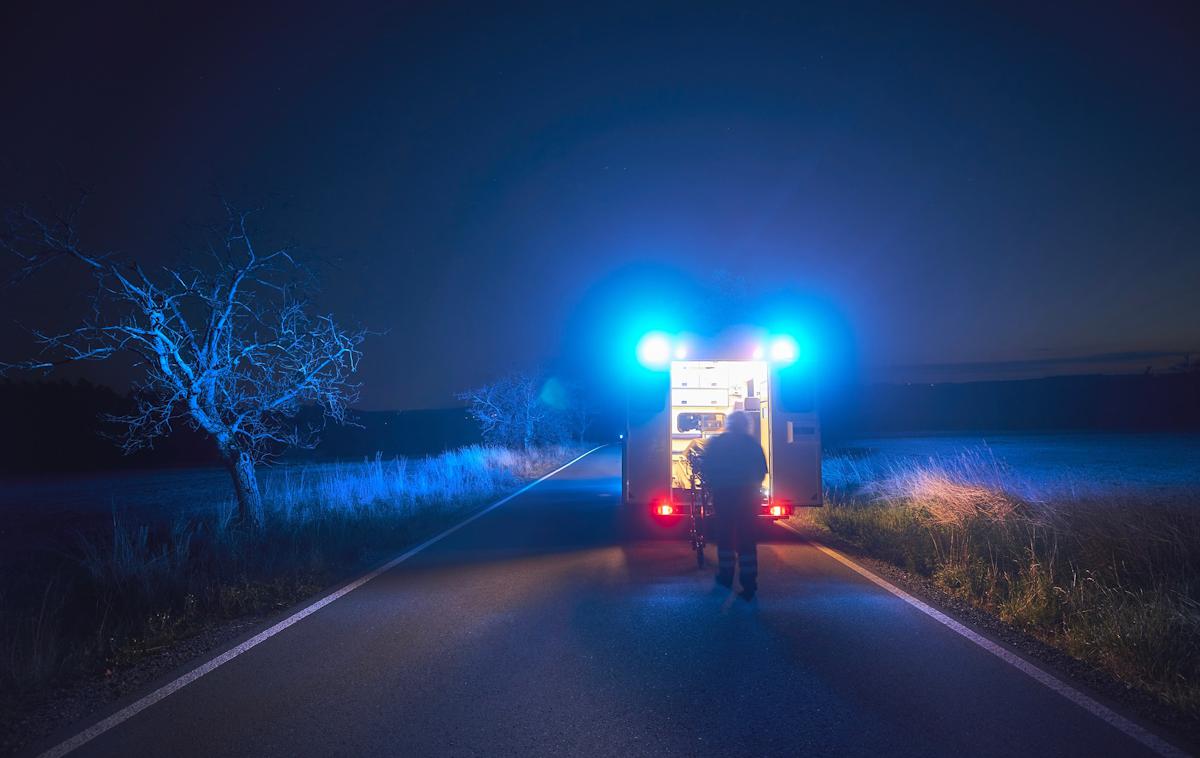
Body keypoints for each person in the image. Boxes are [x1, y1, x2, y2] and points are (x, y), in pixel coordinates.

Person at [701, 410, 767, 600]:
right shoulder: (752, 444)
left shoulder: (717, 443)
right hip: (748, 498)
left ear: (728, 424)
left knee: (725, 537)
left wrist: (717, 484)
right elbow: (762, 472)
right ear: (746, 425)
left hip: (724, 496)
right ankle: (749, 583)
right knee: (747, 539)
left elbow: (707, 468)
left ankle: (726, 577)